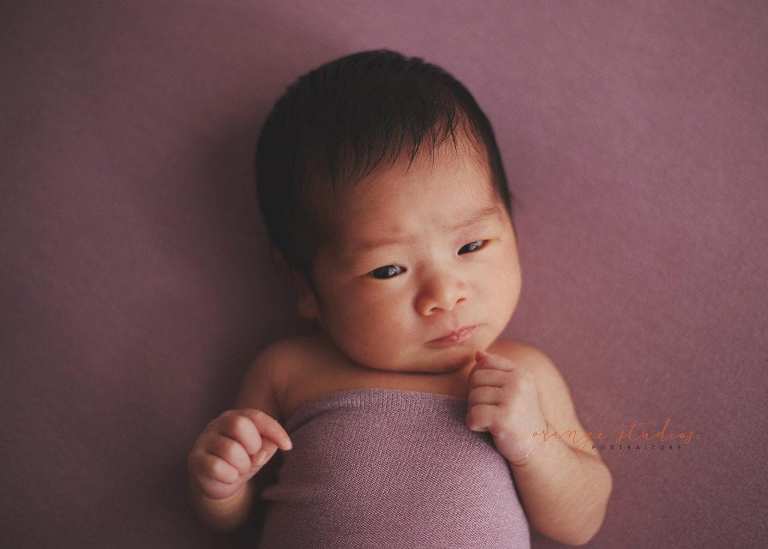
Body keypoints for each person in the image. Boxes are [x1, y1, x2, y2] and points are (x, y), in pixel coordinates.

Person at [187, 49, 612, 547]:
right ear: (306, 287)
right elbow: (242, 519)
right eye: (388, 269)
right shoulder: (288, 371)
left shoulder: (522, 377)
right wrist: (222, 485)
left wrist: (534, 448)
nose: (445, 294)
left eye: (471, 245)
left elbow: (580, 523)